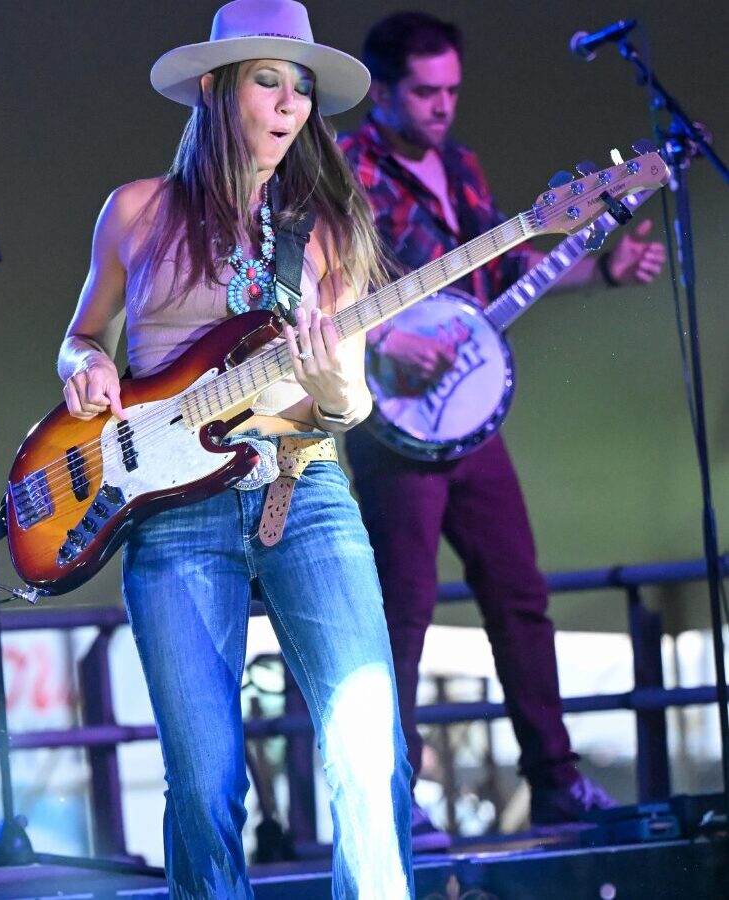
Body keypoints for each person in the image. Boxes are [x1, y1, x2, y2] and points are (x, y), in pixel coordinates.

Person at [59, 2, 413, 896]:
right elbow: (81, 336)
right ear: (216, 89)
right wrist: (86, 369)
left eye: (302, 89)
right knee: (209, 785)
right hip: (172, 510)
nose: (291, 105)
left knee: (369, 756)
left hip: (304, 487)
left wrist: (330, 383)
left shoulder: (331, 230)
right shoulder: (135, 211)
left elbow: (350, 402)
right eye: (269, 80)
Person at [338, 11, 667, 848]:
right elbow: (322, 291)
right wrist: (386, 340)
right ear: (381, 91)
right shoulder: (346, 174)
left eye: (452, 89)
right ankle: (392, 797)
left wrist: (603, 269)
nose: (444, 106)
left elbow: (506, 273)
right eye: (425, 91)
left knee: (521, 596)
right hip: (390, 424)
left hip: (471, 418)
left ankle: (556, 783)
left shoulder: (461, 167)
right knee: (400, 615)